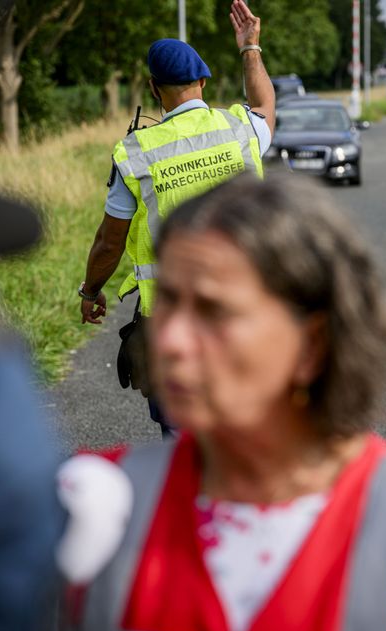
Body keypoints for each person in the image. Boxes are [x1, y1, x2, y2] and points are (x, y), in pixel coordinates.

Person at [57, 173, 386, 631]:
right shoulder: (93, 505)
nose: (169, 340)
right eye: (169, 303)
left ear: (311, 344)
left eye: (214, 311)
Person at [78, 0, 275, 431]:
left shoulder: (136, 153)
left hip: (174, 325)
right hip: (243, 311)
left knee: (184, 445)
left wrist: (90, 291)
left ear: (154, 88)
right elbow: (266, 103)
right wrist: (249, 49)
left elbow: (110, 242)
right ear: (203, 80)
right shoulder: (240, 128)